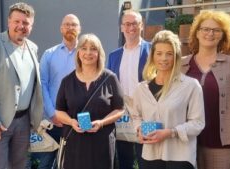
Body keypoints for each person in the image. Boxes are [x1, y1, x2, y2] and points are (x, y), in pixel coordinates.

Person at [0, 2, 43, 169]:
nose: (21, 26)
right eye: (17, 21)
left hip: (23, 122)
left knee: (19, 166)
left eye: (26, 23)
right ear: (8, 22)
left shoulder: (33, 48)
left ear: (31, 26)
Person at [181, 10, 230, 169]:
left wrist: (225, 112)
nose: (210, 33)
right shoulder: (181, 65)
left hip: (220, 142)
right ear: (197, 33)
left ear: (222, 35)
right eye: (205, 29)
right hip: (185, 140)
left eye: (216, 30)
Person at [131, 30, 205, 169]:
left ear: (176, 57)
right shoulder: (141, 89)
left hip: (180, 157)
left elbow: (198, 123)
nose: (163, 58)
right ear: (152, 56)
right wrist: (139, 129)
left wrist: (171, 132)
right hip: (150, 155)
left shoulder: (190, 86)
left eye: (169, 54)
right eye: (159, 53)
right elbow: (136, 115)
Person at [55, 33, 125, 169]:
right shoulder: (67, 81)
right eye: (84, 48)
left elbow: (120, 109)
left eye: (93, 48)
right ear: (78, 52)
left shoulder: (110, 78)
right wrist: (71, 122)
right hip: (75, 144)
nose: (88, 52)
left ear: (99, 53)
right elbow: (59, 111)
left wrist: (102, 122)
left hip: (102, 143)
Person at [30, 14, 81, 169]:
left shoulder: (85, 54)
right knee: (46, 163)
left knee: (74, 162)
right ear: (61, 28)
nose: (70, 28)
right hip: (53, 121)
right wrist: (52, 113)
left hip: (77, 121)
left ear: (79, 29)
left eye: (74, 24)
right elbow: (42, 84)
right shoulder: (49, 54)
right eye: (66, 24)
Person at [107, 9, 150, 169]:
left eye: (135, 23)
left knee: (146, 157)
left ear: (141, 26)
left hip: (145, 112)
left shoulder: (152, 51)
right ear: (121, 27)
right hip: (121, 114)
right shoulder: (113, 55)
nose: (131, 27)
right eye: (127, 24)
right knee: (124, 159)